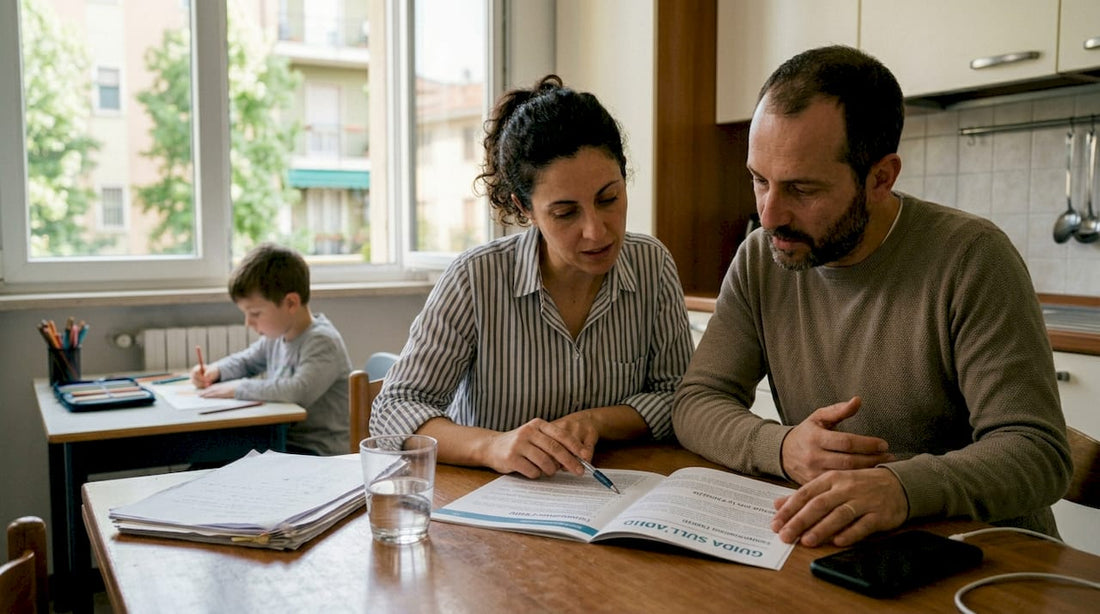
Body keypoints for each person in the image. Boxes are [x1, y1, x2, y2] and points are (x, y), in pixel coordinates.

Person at [673, 46, 1071, 549]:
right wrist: (783, 447)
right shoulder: (761, 259)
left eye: (801, 189)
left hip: (987, 558)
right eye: (759, 180)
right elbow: (696, 403)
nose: (769, 214)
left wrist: (900, 488)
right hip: (848, 551)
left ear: (881, 178)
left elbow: (1038, 452)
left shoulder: (972, 257)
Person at [371, 75, 694, 479]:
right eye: (565, 213)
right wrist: (492, 446)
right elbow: (395, 408)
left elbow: (679, 399)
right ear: (523, 208)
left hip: (612, 498)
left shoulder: (652, 265)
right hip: (490, 509)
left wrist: (595, 421)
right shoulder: (476, 278)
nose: (596, 230)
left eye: (608, 198)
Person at [191, 243, 353, 456]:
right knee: (209, 453)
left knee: (218, 455)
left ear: (291, 303)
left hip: (317, 451)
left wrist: (238, 388)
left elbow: (298, 391)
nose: (248, 322)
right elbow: (247, 361)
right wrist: (216, 370)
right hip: (281, 441)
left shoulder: (322, 341)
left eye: (255, 313)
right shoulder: (277, 337)